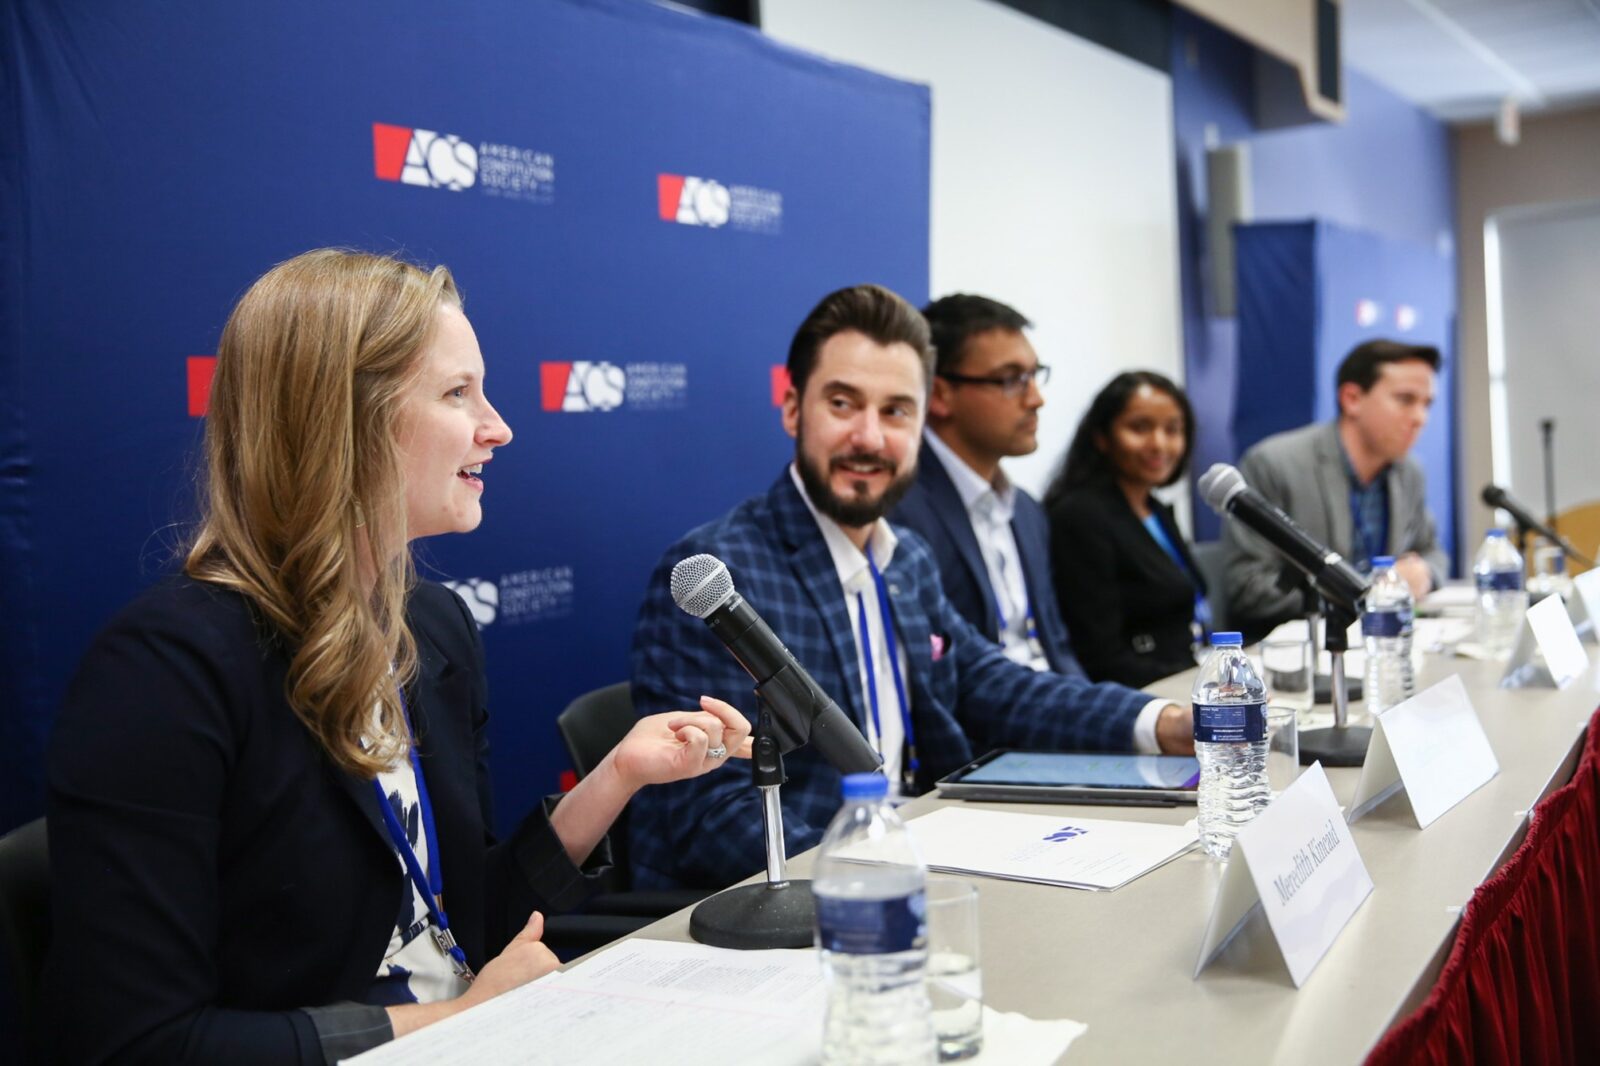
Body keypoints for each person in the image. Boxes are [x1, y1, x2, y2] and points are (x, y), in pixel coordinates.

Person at [44, 249, 752, 1065]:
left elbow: (461, 923)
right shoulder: (165, 672)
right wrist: (461, 1021)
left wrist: (616, 777)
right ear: (343, 419)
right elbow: (140, 1043)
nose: (498, 427)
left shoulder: (431, 626)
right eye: (457, 393)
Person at [628, 284, 1194, 891]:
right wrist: (885, 870)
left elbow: (991, 683)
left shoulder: (907, 557)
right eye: (843, 404)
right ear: (793, 409)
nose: (870, 437)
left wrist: (1161, 722)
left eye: (896, 411)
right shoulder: (723, 575)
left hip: (924, 853)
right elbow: (711, 814)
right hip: (814, 900)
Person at [890, 294, 1085, 677]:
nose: (1036, 399)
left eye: (1035, 375)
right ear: (940, 394)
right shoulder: (899, 510)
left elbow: (1057, 650)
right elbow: (943, 675)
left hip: (1056, 702)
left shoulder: (1026, 510)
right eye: (1011, 380)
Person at [1222, 339, 1447, 638]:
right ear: (1352, 399)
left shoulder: (1409, 472)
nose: (1420, 418)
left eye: (1426, 404)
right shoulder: (1274, 464)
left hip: (1385, 644)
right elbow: (1247, 588)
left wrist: (1425, 575)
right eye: (1406, 400)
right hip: (1302, 648)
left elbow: (1431, 552)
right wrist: (1368, 589)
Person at [1043, 372, 1208, 687]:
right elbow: (1100, 656)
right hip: (1144, 693)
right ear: (1101, 437)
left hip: (1187, 673)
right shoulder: (1080, 516)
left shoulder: (1155, 508)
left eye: (1172, 430)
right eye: (1140, 428)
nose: (1159, 444)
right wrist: (1199, 686)